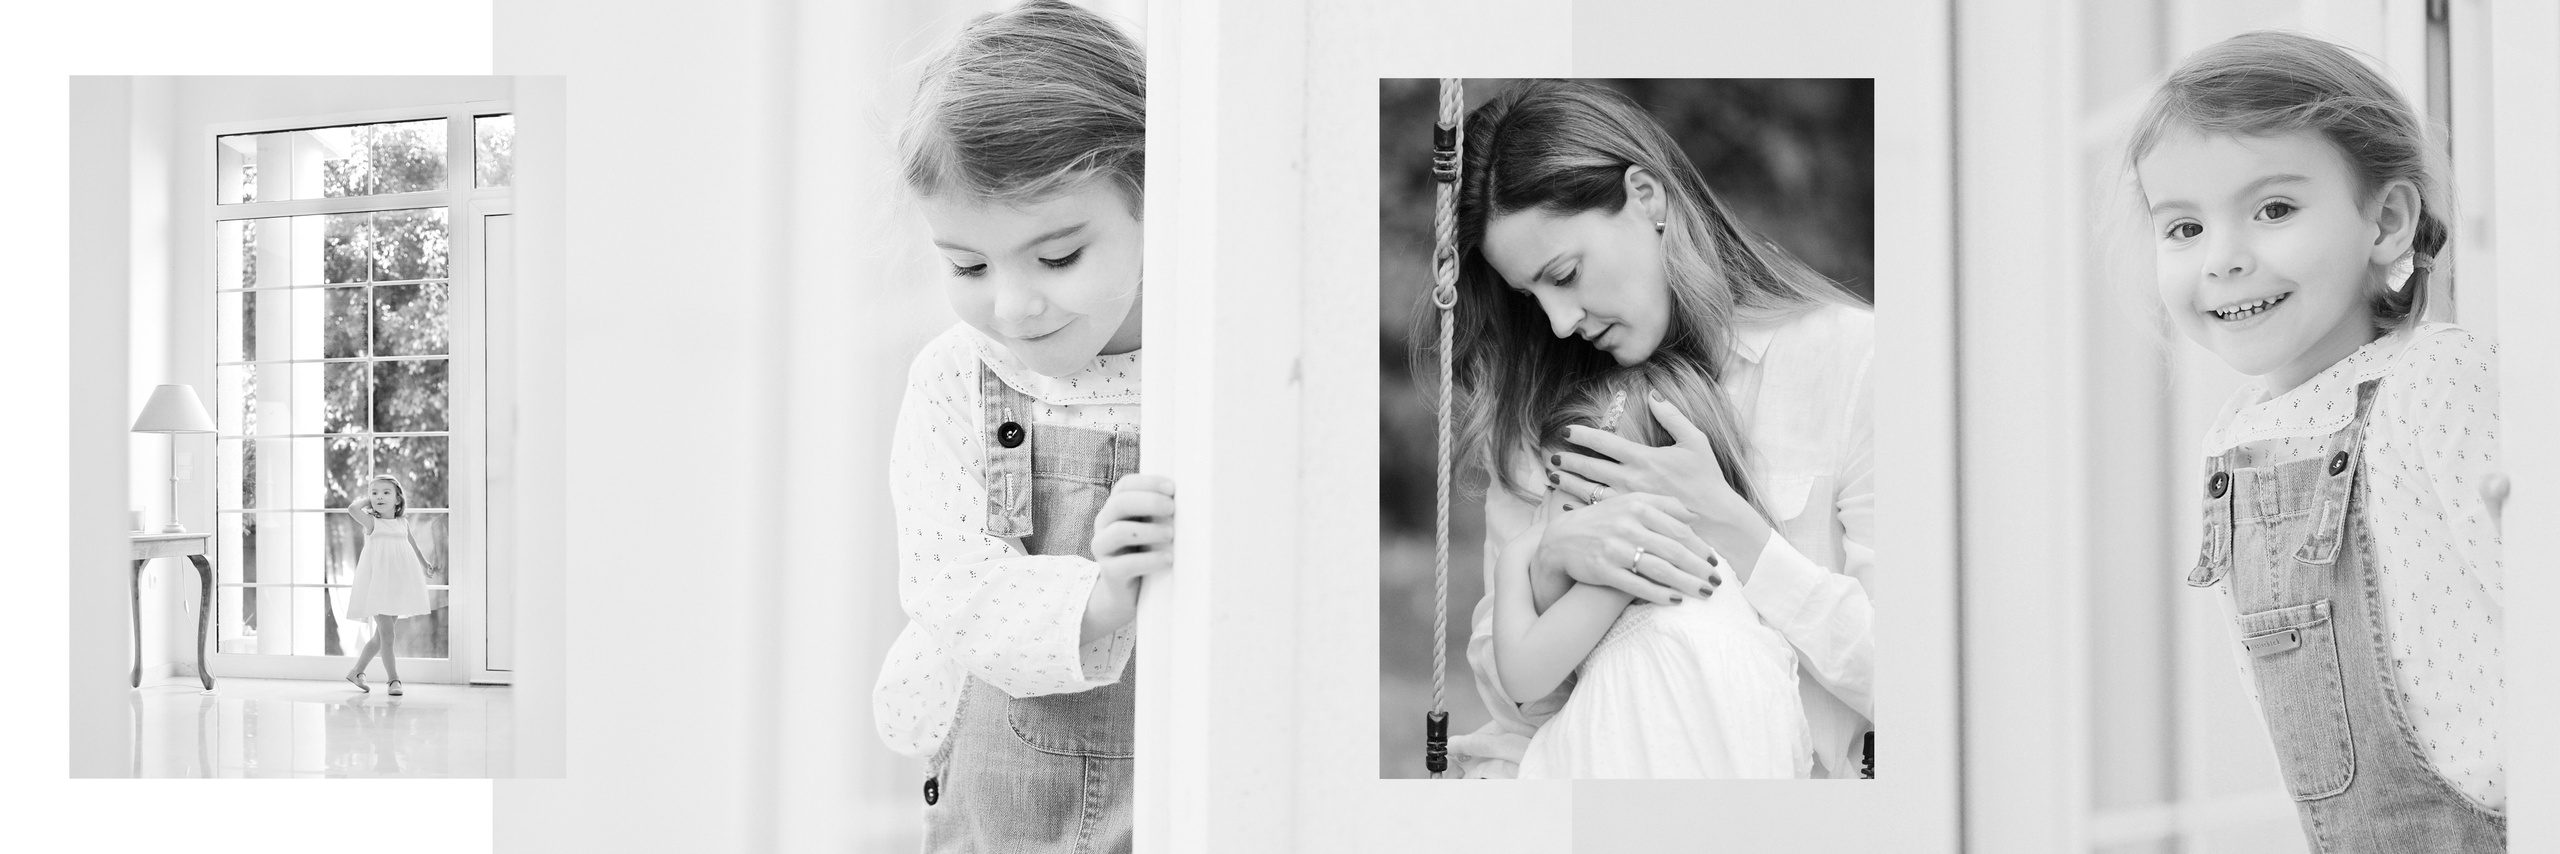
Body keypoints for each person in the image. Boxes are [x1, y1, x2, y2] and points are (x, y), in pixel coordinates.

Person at [2132, 31, 2503, 851]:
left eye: (2274, 209)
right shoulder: (2234, 443)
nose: (2224, 259)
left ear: (2388, 221)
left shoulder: (2430, 379)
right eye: (2184, 228)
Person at [1443, 79, 1876, 779]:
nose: (1559, 322)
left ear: (1647, 197)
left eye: (1567, 273)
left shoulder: (1850, 360)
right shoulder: (1553, 412)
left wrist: (1737, 534)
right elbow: (1518, 704)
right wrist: (1550, 561)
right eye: (1532, 297)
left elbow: (1918, 681)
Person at [869, 3, 1171, 852]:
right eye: (967, 265)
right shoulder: (957, 379)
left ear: (1154, 198)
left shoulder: (1207, 369)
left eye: (1059, 256)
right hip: (1013, 802)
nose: (1012, 304)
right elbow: (948, 581)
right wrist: (1101, 599)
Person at [1493, 360, 1812, 778]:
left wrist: (1514, 558)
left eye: (1557, 487)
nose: (1542, 509)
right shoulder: (1707, 575)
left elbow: (1524, 674)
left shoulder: (1638, 567)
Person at [343, 474, 435, 697]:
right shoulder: (372, 522)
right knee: (388, 635)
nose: (379, 497)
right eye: (374, 493)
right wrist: (368, 501)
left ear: (397, 499)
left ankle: (356, 671)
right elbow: (352, 510)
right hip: (378, 585)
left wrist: (423, 563)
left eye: (386, 493)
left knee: (380, 636)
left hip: (397, 583)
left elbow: (411, 543)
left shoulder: (402, 523)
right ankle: (394, 680)